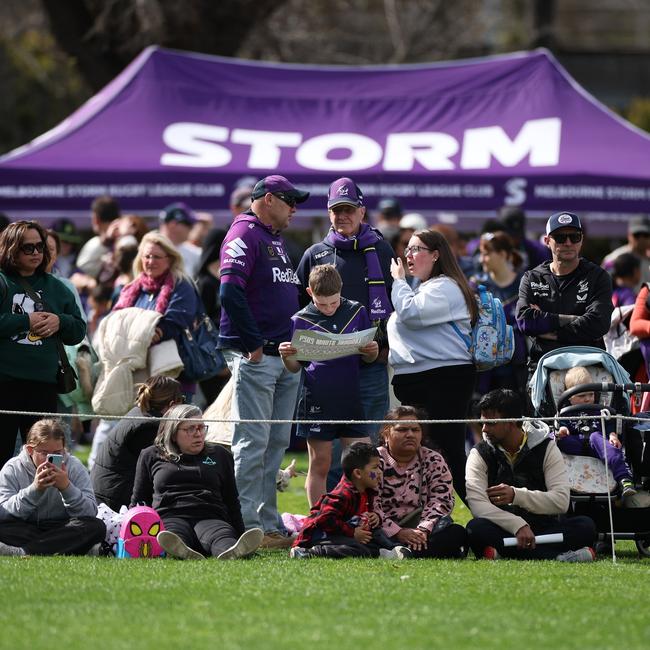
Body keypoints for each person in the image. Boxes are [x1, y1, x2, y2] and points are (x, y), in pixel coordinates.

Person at [219, 174, 308, 548]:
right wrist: (253, 344)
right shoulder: (245, 233)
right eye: (289, 201)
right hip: (258, 354)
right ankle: (243, 523)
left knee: (275, 443)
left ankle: (267, 522)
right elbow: (229, 290)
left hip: (282, 356)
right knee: (253, 442)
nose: (294, 210)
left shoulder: (272, 238)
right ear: (268, 199)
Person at [297, 178, 394, 449]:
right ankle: (333, 494)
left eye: (348, 209)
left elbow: (396, 303)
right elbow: (298, 309)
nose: (342, 216)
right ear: (329, 213)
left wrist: (385, 348)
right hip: (326, 370)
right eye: (336, 210)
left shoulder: (382, 249)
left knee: (372, 448)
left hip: (369, 365)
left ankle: (367, 495)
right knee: (329, 455)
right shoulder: (314, 254)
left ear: (362, 211)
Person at [90, 231, 198, 467]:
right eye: (147, 256)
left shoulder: (182, 285)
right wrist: (139, 335)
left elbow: (172, 323)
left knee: (168, 435)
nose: (151, 262)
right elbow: (114, 322)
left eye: (157, 257)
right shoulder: (130, 288)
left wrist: (137, 334)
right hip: (132, 375)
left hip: (170, 376)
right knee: (122, 432)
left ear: (170, 258)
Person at [388, 228, 478, 503]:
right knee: (425, 454)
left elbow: (412, 314)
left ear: (436, 255)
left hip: (444, 380)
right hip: (421, 381)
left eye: (417, 249)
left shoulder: (446, 286)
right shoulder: (425, 287)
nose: (408, 255)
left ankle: (495, 520)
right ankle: (432, 517)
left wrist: (398, 281)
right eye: (407, 250)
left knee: (447, 452)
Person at [279, 264, 378, 506]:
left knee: (363, 462)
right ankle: (319, 522)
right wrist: (286, 356)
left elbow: (368, 359)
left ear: (341, 290)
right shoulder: (300, 319)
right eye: (322, 304)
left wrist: (372, 351)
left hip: (350, 397)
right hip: (316, 399)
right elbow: (294, 367)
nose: (329, 308)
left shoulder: (357, 311)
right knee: (320, 462)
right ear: (310, 292)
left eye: (333, 303)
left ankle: (362, 517)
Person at [465, 389, 597, 561]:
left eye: (491, 423)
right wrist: (518, 526)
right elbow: (478, 505)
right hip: (502, 528)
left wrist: (516, 495)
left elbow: (561, 501)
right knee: (475, 529)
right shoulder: (480, 453)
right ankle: (558, 557)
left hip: (543, 529)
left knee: (586, 526)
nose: (484, 429)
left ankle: (504, 554)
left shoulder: (547, 447)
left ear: (511, 422)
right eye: (483, 422)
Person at [0, 221, 86, 468]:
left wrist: (61, 321)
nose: (36, 252)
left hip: (43, 386)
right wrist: (24, 321)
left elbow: (78, 330)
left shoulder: (57, 288)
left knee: (44, 458)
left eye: (39, 247)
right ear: (11, 249)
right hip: (4, 384)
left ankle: (41, 505)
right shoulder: (2, 281)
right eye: (28, 248)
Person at [130, 404, 263, 560]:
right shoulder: (150, 455)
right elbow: (139, 500)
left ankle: (233, 550)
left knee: (223, 537)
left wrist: (241, 533)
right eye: (190, 429)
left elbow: (232, 500)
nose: (198, 434)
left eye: (201, 427)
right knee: (172, 536)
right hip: (170, 516)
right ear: (173, 433)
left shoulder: (220, 454)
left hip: (211, 516)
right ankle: (181, 551)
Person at [516, 212, 613, 372]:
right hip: (545, 365)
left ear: (581, 240)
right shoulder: (532, 277)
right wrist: (572, 319)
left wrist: (552, 332)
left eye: (574, 237)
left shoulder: (598, 276)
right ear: (547, 241)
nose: (568, 243)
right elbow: (525, 321)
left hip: (588, 364)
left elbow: (598, 323)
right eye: (560, 238)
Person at [0, 418, 105, 556]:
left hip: (63, 527)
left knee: (96, 526)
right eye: (44, 453)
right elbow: (3, 513)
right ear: (30, 449)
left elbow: (90, 511)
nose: (50, 459)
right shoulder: (13, 468)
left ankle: (24, 551)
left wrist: (66, 488)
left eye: (57, 453)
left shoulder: (74, 466)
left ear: (64, 449)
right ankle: (74, 547)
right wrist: (34, 490)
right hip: (26, 527)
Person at [290, 442, 409, 559]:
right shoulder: (342, 495)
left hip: (343, 533)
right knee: (359, 549)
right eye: (375, 467)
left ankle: (392, 549)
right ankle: (309, 552)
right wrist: (352, 532)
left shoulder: (367, 490)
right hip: (321, 535)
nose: (379, 472)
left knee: (374, 533)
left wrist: (375, 517)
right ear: (358, 473)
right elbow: (324, 519)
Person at [377, 406, 468, 558]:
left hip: (422, 529)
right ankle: (406, 550)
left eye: (415, 430)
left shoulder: (434, 459)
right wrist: (398, 532)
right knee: (364, 532)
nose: (410, 435)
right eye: (402, 430)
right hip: (383, 529)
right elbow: (369, 504)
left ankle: (403, 552)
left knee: (456, 533)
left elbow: (441, 501)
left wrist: (423, 530)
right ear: (387, 433)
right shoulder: (373, 459)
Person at [91, 376, 184, 511]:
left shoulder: (138, 414)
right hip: (115, 502)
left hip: (105, 493)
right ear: (172, 404)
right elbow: (160, 470)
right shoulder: (148, 428)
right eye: (183, 401)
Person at [555, 366, 636, 497]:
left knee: (602, 441)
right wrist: (563, 431)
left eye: (591, 394)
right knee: (555, 439)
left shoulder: (599, 409)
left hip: (598, 443)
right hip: (576, 443)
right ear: (569, 397)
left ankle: (624, 479)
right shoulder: (566, 412)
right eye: (582, 395)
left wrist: (612, 435)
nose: (587, 399)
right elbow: (562, 425)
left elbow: (609, 425)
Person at [471, 231, 527, 398]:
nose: (482, 260)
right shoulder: (476, 284)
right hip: (482, 367)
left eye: (486, 254)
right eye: (481, 254)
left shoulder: (524, 283)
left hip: (516, 366)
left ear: (502, 254)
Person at [195, 227, 229, 405]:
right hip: (210, 358)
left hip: (224, 354)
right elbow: (201, 325)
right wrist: (217, 363)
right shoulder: (205, 284)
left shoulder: (220, 280)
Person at [602, 215, 650, 287]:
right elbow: (602, 284)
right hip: (623, 298)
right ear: (629, 235)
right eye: (637, 235)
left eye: (645, 235)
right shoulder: (615, 258)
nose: (641, 239)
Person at [158, 202, 200, 278]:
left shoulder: (195, 253)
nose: (191, 229)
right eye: (189, 225)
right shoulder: (147, 250)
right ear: (173, 224)